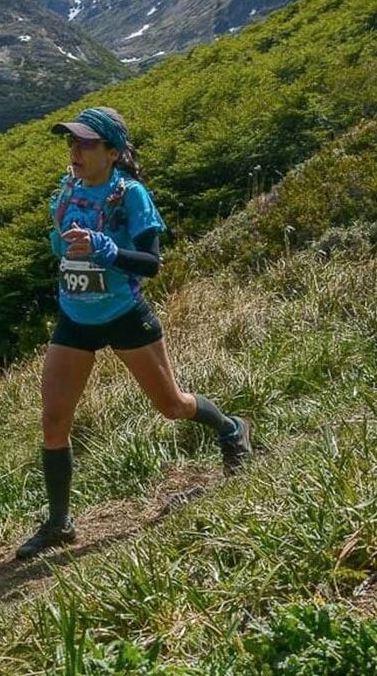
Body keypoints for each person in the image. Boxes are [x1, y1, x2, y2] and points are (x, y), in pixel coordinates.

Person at [16, 106, 252, 560]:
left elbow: (153, 264)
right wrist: (62, 243)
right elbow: (63, 248)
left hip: (125, 313)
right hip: (75, 317)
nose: (74, 151)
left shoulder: (131, 195)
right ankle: (59, 523)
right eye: (71, 142)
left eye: (85, 143)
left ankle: (230, 428)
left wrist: (107, 249)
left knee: (171, 405)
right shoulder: (67, 192)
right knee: (53, 421)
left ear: (112, 151)